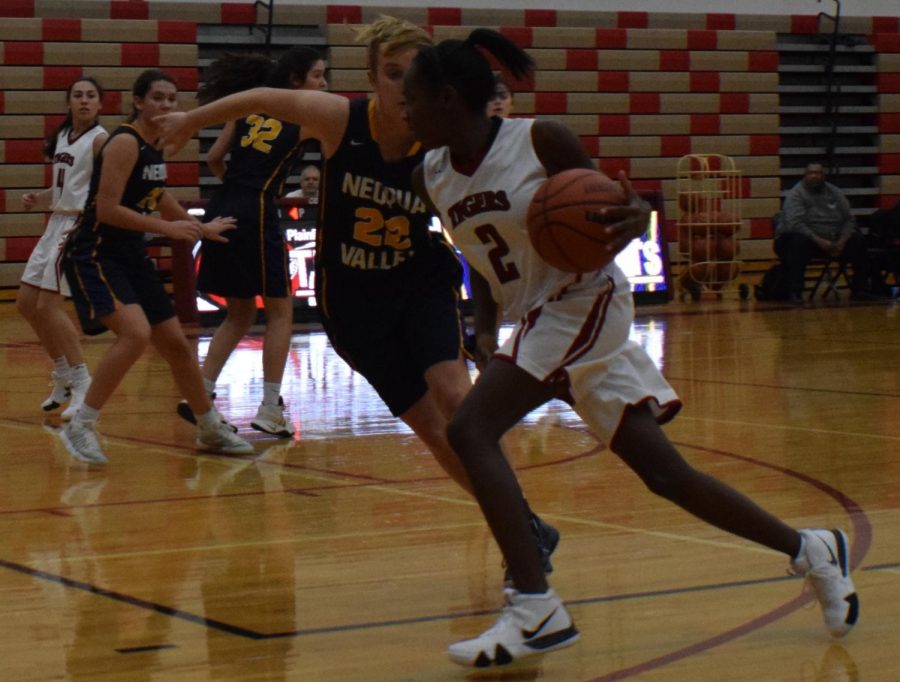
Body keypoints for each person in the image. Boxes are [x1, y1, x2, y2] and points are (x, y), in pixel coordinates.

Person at [402, 29, 860, 667]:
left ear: (449, 98)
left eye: (413, 98)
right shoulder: (433, 172)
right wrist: (482, 326)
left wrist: (637, 211)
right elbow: (478, 255)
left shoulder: (540, 140)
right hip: (538, 316)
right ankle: (811, 549)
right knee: (666, 474)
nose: (405, 111)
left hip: (583, 300)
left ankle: (535, 606)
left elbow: (615, 210)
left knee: (472, 429)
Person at [155, 17, 558, 566]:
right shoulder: (342, 119)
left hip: (420, 283)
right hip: (355, 303)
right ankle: (526, 524)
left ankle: (521, 535)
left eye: (412, 75)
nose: (401, 87)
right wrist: (190, 119)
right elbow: (262, 97)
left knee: (459, 405)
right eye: (391, 74)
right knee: (435, 433)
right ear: (372, 78)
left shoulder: (440, 142)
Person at [60, 69, 254, 464]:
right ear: (138, 102)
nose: (166, 105)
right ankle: (81, 424)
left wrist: (198, 228)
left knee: (177, 347)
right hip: (96, 251)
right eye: (158, 98)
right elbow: (108, 209)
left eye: (171, 99)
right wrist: (169, 229)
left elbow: (155, 193)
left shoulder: (156, 143)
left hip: (131, 254)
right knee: (135, 334)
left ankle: (208, 427)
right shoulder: (125, 142)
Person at [176, 47, 328, 437]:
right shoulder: (306, 118)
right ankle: (269, 405)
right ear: (296, 80)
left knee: (240, 313)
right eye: (317, 75)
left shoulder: (247, 109)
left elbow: (213, 157)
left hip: (223, 202)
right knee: (280, 312)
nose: (323, 83)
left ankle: (202, 392)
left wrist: (238, 182)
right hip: (258, 207)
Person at [17, 77, 108, 419]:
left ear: (100, 105)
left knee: (49, 305)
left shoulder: (101, 141)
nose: (84, 101)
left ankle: (84, 383)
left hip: (78, 225)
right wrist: (38, 198)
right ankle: (63, 374)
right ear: (68, 102)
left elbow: (108, 187)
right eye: (78, 95)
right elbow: (63, 190)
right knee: (27, 304)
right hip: (56, 220)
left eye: (91, 96)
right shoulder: (61, 138)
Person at [775, 162, 872, 303]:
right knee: (797, 242)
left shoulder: (835, 192)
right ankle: (795, 291)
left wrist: (842, 241)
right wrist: (820, 241)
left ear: (824, 176)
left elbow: (849, 219)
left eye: (817, 173)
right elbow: (795, 224)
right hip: (805, 240)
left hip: (834, 241)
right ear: (805, 176)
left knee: (858, 240)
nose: (814, 176)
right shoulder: (797, 194)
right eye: (810, 173)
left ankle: (861, 289)